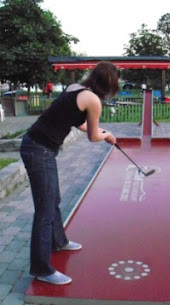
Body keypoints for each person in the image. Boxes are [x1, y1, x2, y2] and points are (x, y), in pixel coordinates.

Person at [20, 61, 119, 285]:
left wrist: (105, 132)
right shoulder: (93, 100)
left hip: (37, 145)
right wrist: (105, 134)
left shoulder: (75, 88)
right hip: (39, 150)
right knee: (44, 211)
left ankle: (58, 242)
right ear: (109, 84)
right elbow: (93, 136)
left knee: (53, 199)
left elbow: (79, 123)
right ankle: (42, 269)